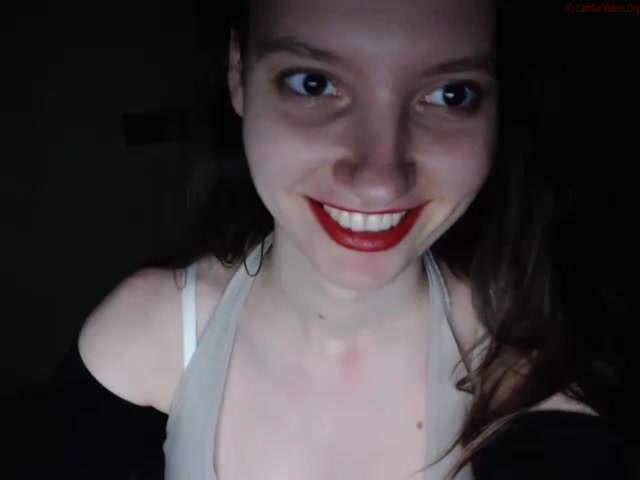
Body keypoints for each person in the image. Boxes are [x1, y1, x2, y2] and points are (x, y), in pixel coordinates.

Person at [25, 0, 631, 479]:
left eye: (451, 94)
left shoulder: (531, 380)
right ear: (238, 75)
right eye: (313, 83)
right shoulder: (146, 336)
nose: (379, 178)